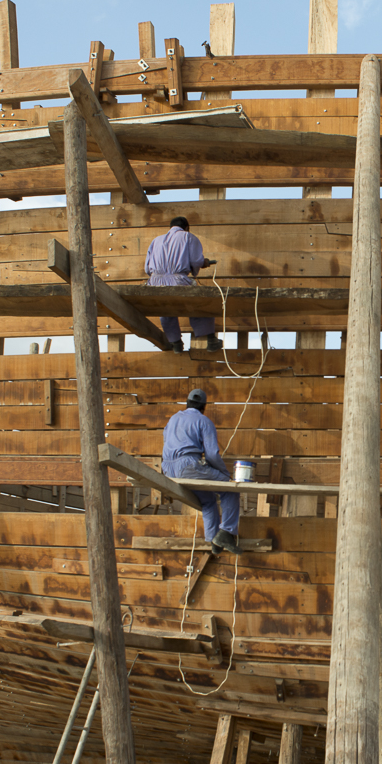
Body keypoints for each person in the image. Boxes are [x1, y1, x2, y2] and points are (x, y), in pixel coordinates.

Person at [162, 388, 242, 554]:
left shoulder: (173, 419)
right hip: (189, 466)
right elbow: (212, 454)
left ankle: (214, 541)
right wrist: (225, 475)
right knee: (231, 489)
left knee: (208, 501)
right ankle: (226, 533)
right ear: (204, 407)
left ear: (187, 403)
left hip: (168, 468)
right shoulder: (203, 421)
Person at [146, 216, 221, 353]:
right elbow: (196, 261)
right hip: (177, 280)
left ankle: (176, 344)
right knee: (199, 303)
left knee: (166, 310)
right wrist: (203, 263)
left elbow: (147, 268)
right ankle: (211, 340)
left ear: (170, 227)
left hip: (155, 282)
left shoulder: (156, 240)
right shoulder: (188, 237)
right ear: (187, 228)